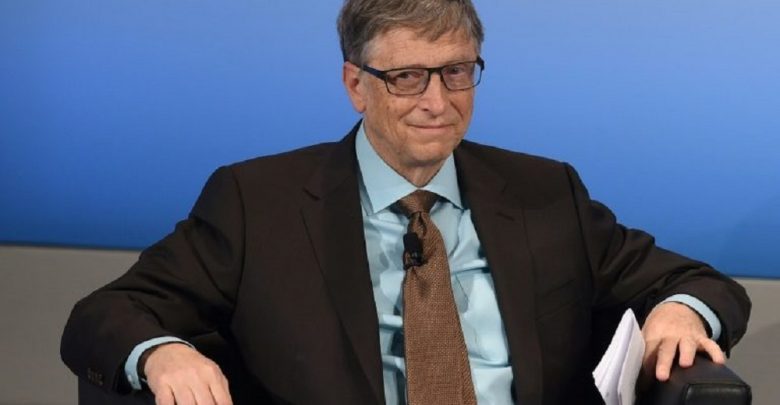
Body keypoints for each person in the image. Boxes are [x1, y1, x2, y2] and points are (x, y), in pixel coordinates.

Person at [61, 0, 750, 404]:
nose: (438, 102)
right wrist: (161, 354)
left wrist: (679, 310)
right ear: (355, 85)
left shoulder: (546, 193)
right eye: (408, 77)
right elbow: (104, 313)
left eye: (456, 72)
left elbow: (701, 283)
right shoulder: (257, 203)